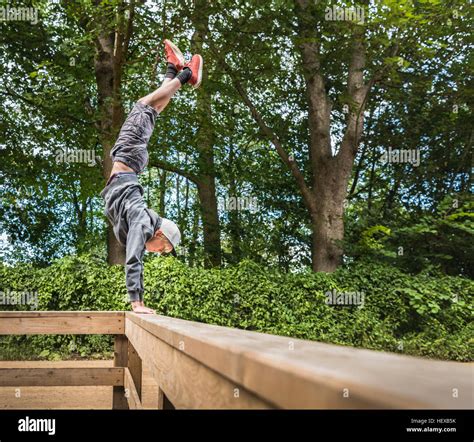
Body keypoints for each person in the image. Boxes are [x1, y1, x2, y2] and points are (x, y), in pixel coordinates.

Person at [100, 40, 203, 314]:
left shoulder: (142, 221)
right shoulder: (143, 222)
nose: (159, 252)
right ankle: (184, 75)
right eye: (164, 248)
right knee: (144, 106)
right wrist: (137, 302)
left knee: (151, 110)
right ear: (160, 234)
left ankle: (172, 68)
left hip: (130, 162)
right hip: (128, 159)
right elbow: (133, 258)